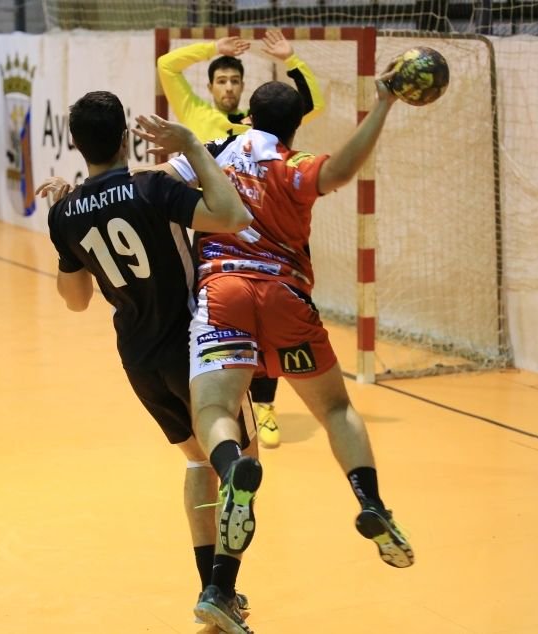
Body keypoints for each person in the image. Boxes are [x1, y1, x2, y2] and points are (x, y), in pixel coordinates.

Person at [164, 76, 416, 632]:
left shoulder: (216, 154)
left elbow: (153, 190)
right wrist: (384, 103)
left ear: (247, 115)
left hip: (225, 292)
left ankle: (232, 470)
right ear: (297, 124)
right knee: (334, 410)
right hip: (286, 298)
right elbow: (341, 170)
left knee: (215, 412)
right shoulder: (292, 165)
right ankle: (370, 501)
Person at [36, 91, 257, 631]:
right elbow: (231, 214)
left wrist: (66, 226)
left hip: (138, 358)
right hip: (193, 344)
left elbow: (75, 299)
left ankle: (211, 592)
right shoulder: (152, 187)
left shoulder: (64, 212)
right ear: (126, 138)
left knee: (194, 463)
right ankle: (222, 586)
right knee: (237, 459)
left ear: (75, 143)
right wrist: (190, 148)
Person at [158, 28, 325, 449]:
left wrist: (292, 59)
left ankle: (265, 406)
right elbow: (166, 65)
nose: (229, 87)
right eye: (222, 81)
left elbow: (313, 104)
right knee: (221, 324)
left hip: (269, 236)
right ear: (211, 87)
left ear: (244, 89)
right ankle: (223, 403)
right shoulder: (197, 115)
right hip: (219, 241)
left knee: (273, 323)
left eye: (235, 81)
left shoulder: (259, 124)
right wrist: (214, 49)